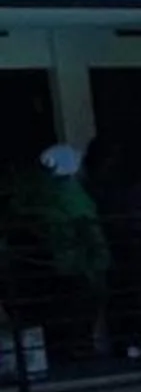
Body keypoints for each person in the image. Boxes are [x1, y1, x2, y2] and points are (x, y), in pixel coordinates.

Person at [0, 145, 108, 366]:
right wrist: (101, 261)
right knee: (78, 318)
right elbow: (87, 228)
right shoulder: (69, 193)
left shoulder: (28, 193)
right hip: (71, 266)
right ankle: (78, 356)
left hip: (37, 268)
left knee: (52, 324)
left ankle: (60, 357)